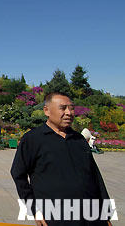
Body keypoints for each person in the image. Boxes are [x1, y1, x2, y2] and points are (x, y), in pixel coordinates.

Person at [11, 92, 112, 226]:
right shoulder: (32, 139)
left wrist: (106, 214)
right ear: (46, 110)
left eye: (71, 108)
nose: (69, 112)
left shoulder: (79, 139)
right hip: (56, 217)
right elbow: (18, 174)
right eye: (63, 108)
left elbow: (95, 176)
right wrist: (34, 210)